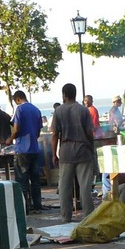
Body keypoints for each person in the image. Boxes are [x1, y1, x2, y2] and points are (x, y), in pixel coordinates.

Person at [51, 83, 95, 223]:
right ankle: (88, 216)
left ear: (64, 95)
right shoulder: (84, 110)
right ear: (75, 94)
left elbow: (54, 135)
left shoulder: (58, 111)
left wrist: (54, 154)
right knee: (85, 186)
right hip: (83, 151)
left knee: (64, 186)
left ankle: (66, 217)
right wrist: (91, 147)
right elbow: (89, 132)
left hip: (66, 151)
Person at [6, 90, 43, 214]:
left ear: (17, 100)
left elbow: (16, 129)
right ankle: (37, 206)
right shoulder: (36, 110)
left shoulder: (19, 109)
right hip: (34, 149)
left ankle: (24, 208)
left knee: (22, 181)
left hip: (22, 150)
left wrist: (10, 139)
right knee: (35, 181)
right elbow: (38, 132)